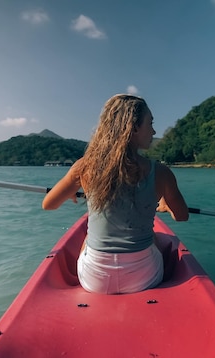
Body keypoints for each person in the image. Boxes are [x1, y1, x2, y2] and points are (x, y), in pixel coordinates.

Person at [42, 94, 189, 294]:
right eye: (151, 123)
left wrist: (70, 192)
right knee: (156, 238)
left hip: (94, 281)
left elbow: (48, 204)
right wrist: (165, 204)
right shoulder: (162, 173)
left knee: (87, 236)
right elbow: (182, 216)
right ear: (135, 128)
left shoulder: (84, 167)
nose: (154, 131)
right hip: (145, 278)